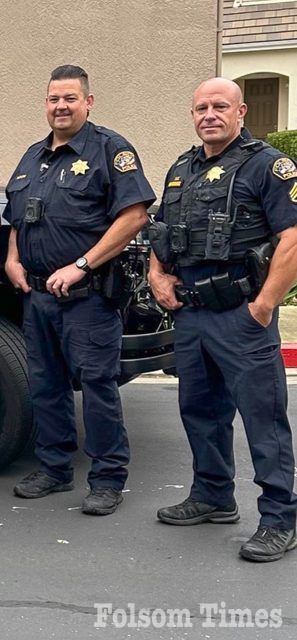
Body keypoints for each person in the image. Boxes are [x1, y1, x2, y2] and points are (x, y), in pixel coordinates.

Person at [149, 77, 297, 562]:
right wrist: (157, 276)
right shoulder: (180, 169)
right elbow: (162, 232)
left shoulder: (267, 167)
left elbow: (292, 240)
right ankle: (213, 496)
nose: (208, 115)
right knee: (200, 411)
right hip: (191, 313)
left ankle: (280, 518)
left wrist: (264, 306)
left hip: (241, 313)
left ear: (241, 111)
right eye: (200, 108)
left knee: (263, 418)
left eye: (219, 106)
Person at [3, 65, 154, 516]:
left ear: (88, 102)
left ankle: (108, 478)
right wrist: (13, 257)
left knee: (97, 386)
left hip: (88, 295)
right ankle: (54, 468)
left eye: (70, 98)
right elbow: (19, 214)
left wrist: (81, 264)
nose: (61, 106)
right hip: (39, 295)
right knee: (47, 386)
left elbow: (134, 216)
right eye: (53, 99)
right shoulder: (33, 156)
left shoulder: (110, 149)